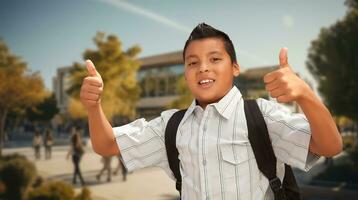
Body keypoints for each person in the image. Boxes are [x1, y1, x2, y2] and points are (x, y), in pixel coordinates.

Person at [80, 23, 342, 199]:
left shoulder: (262, 116)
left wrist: (306, 95)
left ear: (235, 67)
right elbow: (106, 145)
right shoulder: (170, 126)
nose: (203, 68)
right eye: (193, 62)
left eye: (215, 59)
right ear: (185, 73)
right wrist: (94, 107)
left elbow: (329, 146)